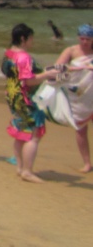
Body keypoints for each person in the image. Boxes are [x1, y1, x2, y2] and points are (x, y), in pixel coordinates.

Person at [2, 23, 58, 182]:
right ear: (23, 39)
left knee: (21, 133)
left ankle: (20, 168)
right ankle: (27, 171)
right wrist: (47, 75)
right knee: (33, 135)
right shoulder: (24, 57)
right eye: (31, 38)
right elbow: (29, 81)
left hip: (12, 96)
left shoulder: (9, 53)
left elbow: (8, 72)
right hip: (25, 98)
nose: (32, 41)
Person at [53, 23, 93, 173]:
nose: (85, 42)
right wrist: (76, 68)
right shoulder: (70, 51)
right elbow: (56, 69)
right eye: (82, 38)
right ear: (78, 37)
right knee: (80, 129)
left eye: (88, 39)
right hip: (78, 95)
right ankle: (87, 163)